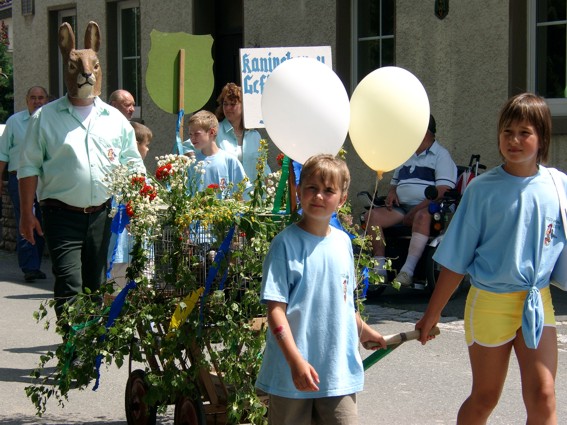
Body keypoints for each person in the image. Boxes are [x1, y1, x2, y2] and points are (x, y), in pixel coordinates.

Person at [416, 93, 565, 424]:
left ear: (541, 138)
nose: (513, 140)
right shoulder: (481, 190)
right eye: (507, 131)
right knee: (485, 397)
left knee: (544, 396)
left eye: (524, 132)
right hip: (489, 304)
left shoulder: (558, 185)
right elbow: (455, 260)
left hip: (536, 301)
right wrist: (432, 314)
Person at [18, 22, 145, 324]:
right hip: (60, 214)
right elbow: (28, 166)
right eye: (77, 67)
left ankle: (87, 348)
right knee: (70, 284)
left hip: (101, 215)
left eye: (92, 67)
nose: (86, 73)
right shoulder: (45, 118)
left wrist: (143, 199)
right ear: (68, 68)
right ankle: (73, 346)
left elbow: (132, 162)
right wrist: (25, 212)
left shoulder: (114, 119)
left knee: (93, 284)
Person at [255, 154, 386, 425]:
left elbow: (344, 303)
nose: (318, 196)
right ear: (299, 191)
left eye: (328, 191)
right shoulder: (284, 244)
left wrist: (363, 331)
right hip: (291, 375)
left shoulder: (343, 243)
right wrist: (295, 361)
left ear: (342, 199)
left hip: (337, 373)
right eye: (312, 188)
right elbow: (276, 311)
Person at [363, 114, 457, 287]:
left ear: (427, 132)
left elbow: (443, 190)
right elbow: (394, 183)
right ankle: (380, 268)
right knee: (371, 216)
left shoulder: (441, 155)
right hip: (402, 208)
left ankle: (407, 271)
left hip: (427, 208)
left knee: (422, 216)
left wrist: (416, 210)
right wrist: (392, 192)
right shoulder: (405, 154)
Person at [0, 86, 49, 282]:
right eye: (33, 98)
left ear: (47, 100)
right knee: (25, 217)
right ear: (26, 100)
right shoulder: (14, 122)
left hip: (44, 180)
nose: (37, 101)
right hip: (18, 178)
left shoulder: (50, 122)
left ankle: (34, 262)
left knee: (43, 221)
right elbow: (3, 153)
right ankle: (30, 266)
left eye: (41, 98)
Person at [108, 121, 152, 288]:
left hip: (136, 237)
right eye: (146, 145)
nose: (148, 149)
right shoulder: (123, 172)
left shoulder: (139, 171)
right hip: (123, 236)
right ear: (134, 145)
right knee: (119, 282)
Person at [214, 82, 271, 183]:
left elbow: (264, 166)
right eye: (225, 104)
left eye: (232, 104)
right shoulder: (215, 131)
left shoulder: (255, 135)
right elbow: (189, 145)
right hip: (227, 195)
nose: (227, 108)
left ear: (244, 106)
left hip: (253, 195)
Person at [186, 110, 248, 197]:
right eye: (190, 134)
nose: (192, 138)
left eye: (197, 134)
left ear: (212, 132)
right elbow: (187, 193)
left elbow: (241, 191)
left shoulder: (229, 160)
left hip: (225, 210)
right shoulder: (192, 163)